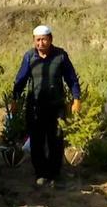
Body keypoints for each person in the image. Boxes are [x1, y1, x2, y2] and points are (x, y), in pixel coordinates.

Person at [11, 25, 81, 188]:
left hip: (56, 106)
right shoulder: (29, 57)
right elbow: (20, 80)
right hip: (35, 107)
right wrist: (14, 99)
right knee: (37, 141)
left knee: (56, 140)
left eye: (44, 40)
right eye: (37, 40)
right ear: (34, 41)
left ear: (50, 39)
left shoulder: (61, 56)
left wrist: (76, 99)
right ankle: (41, 173)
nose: (41, 43)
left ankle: (54, 174)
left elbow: (72, 79)